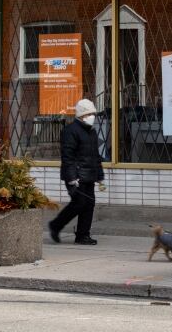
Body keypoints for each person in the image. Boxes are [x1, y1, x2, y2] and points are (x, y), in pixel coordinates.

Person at [48, 98, 105, 245]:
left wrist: (99, 176)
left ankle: (82, 235)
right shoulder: (70, 131)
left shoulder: (91, 132)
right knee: (79, 203)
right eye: (89, 114)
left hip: (89, 175)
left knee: (89, 204)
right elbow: (68, 157)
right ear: (81, 115)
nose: (92, 117)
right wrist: (72, 178)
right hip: (77, 176)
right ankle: (56, 225)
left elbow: (95, 156)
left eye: (93, 114)